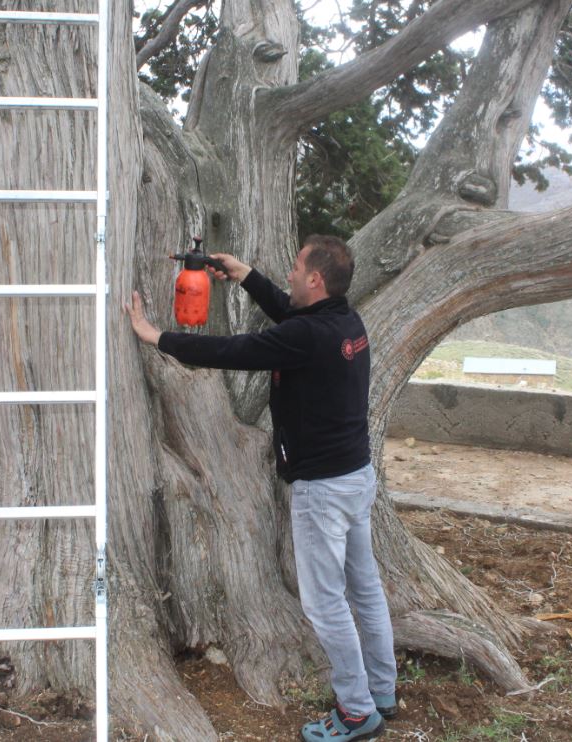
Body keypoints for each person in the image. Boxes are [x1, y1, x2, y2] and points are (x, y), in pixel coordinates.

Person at [127, 235, 397, 741]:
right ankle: (381, 690)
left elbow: (234, 349)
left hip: (323, 489)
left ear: (315, 279)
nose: (290, 274)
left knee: (325, 603)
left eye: (297, 267)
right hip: (356, 477)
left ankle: (359, 712)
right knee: (364, 589)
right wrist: (245, 274)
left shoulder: (309, 336)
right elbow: (290, 319)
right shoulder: (344, 321)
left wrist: (155, 336)